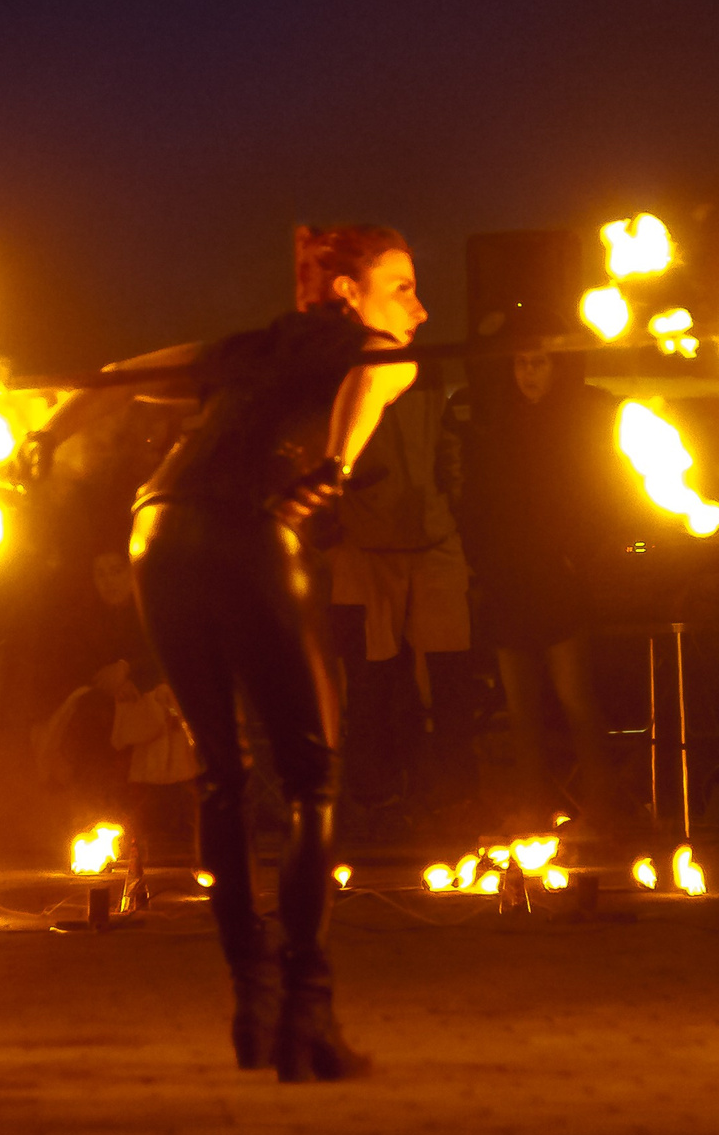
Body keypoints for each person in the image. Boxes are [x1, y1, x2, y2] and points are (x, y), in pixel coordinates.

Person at [23, 224, 426, 1082]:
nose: (420, 311)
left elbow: (123, 376)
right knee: (312, 775)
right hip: (251, 530)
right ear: (348, 294)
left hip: (158, 531)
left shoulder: (247, 350)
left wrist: (47, 434)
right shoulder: (380, 349)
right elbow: (374, 376)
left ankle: (252, 999)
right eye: (401, 287)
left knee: (223, 771)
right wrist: (335, 464)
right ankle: (305, 1014)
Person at [453, 315, 621, 835]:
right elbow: (475, 501)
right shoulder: (496, 426)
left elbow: (599, 495)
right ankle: (532, 809)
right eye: (522, 363)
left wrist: (577, 556)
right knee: (520, 707)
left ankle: (602, 808)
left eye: (539, 362)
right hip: (508, 575)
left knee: (575, 698)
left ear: (557, 367)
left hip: (556, 575)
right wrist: (482, 563)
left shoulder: (578, 421)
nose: (528, 373)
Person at [328, 374, 473, 832]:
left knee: (445, 675)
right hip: (368, 547)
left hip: (427, 538)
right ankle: (377, 798)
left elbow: (449, 452)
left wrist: (449, 499)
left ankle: (448, 793)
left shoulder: (424, 382)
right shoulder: (346, 379)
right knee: (374, 681)